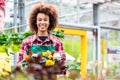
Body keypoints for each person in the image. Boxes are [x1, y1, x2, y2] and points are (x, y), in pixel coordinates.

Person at [18, 3, 66, 80]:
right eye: (39, 20)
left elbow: (63, 68)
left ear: (50, 22)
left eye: (45, 20)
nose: (42, 22)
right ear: (35, 22)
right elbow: (20, 65)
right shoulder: (27, 42)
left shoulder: (57, 42)